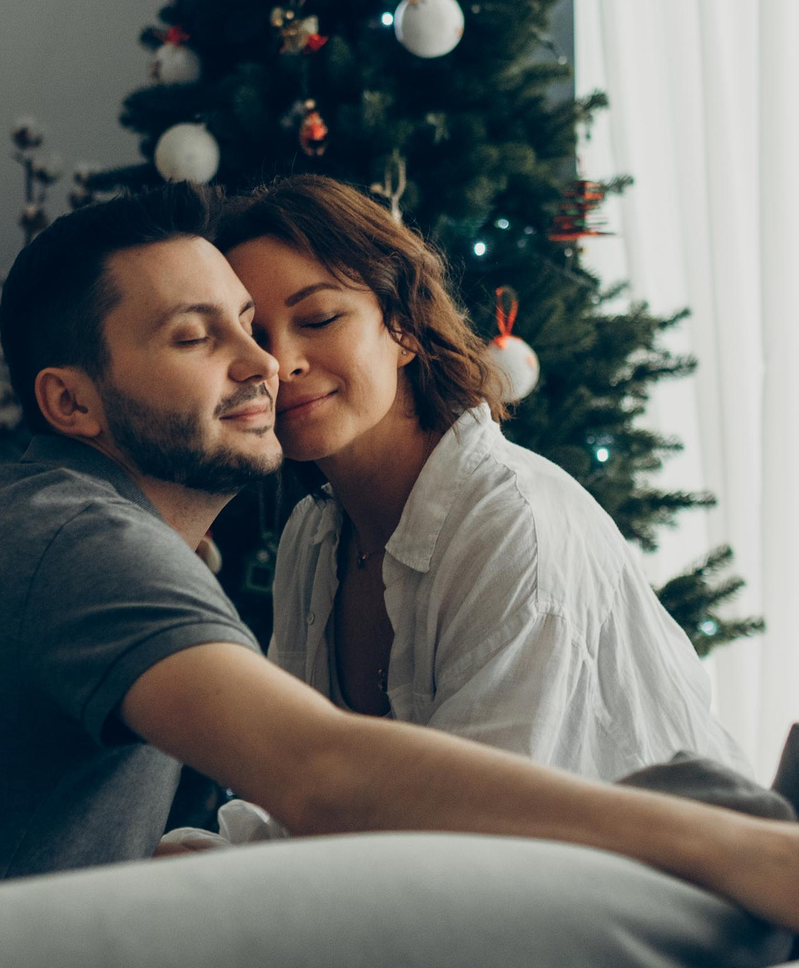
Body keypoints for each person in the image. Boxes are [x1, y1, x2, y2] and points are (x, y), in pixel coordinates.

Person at [0, 185, 799, 942]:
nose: (266, 364)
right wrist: (735, 844)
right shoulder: (83, 542)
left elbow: (362, 809)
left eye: (280, 325)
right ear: (74, 400)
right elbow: (319, 771)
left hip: (576, 917)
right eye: (200, 334)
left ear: (397, 318)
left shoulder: (114, 533)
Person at [216, 175, 746, 784]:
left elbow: (477, 835)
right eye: (254, 336)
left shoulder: (513, 529)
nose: (279, 363)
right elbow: (297, 784)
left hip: (643, 876)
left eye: (319, 318)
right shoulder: (313, 537)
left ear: (404, 328)